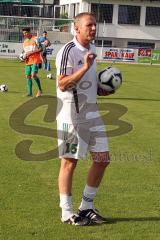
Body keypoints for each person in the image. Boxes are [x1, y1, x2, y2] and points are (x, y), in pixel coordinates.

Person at [56, 12, 112, 226]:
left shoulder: (93, 49)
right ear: (76, 28)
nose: (93, 29)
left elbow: (86, 84)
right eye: (89, 25)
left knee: (102, 159)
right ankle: (67, 212)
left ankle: (86, 207)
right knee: (70, 162)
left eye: (95, 25)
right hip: (70, 114)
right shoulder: (67, 51)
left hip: (92, 113)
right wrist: (85, 67)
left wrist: (101, 89)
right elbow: (63, 84)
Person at [22, 27, 43, 97]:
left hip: (35, 60)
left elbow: (41, 49)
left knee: (33, 75)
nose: (25, 34)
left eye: (26, 33)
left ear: (29, 32)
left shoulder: (35, 39)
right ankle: (29, 93)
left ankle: (40, 90)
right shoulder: (25, 42)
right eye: (24, 33)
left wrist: (31, 52)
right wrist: (23, 57)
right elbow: (25, 52)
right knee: (28, 76)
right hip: (28, 61)